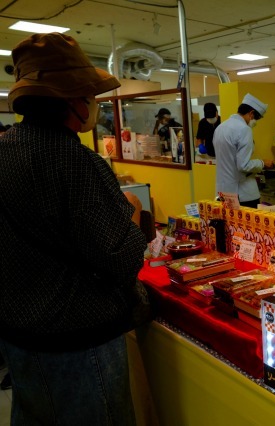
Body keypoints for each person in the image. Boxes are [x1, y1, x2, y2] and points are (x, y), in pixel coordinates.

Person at [0, 33, 147, 425]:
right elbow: (120, 258)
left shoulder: (5, 148)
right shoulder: (75, 161)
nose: (94, 104)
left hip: (17, 332)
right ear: (71, 101)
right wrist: (132, 215)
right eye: (89, 96)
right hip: (78, 340)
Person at [213, 93, 275, 208]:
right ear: (251, 113)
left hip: (223, 192)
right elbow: (243, 165)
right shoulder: (244, 129)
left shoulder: (220, 127)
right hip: (243, 195)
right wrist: (262, 163)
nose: (255, 122)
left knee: (228, 220)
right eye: (256, 118)